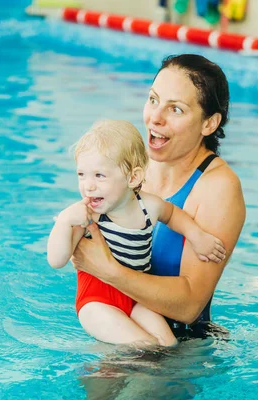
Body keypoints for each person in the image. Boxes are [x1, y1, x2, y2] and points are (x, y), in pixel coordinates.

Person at [71, 54, 246, 339]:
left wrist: (108, 270)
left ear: (209, 124)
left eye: (175, 109)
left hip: (179, 350)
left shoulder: (218, 187)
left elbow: (190, 305)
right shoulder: (136, 169)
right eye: (153, 100)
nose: (155, 118)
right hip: (118, 322)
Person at [47, 119, 227, 346]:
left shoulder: (148, 207)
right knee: (144, 345)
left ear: (133, 178)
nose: (88, 186)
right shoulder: (88, 215)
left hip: (135, 297)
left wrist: (197, 237)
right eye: (82, 174)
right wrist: (63, 223)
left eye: (99, 175)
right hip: (96, 301)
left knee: (167, 344)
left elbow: (172, 215)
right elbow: (56, 260)